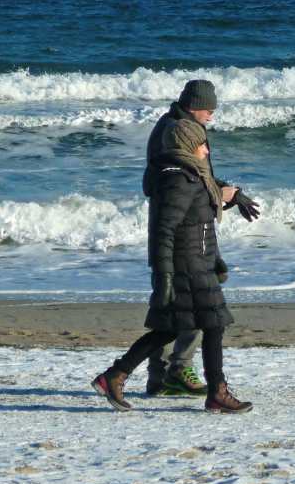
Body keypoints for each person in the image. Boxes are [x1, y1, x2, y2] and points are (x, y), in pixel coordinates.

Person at [93, 118, 252, 413]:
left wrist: (215, 260)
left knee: (173, 328)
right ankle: (216, 393)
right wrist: (165, 276)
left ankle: (115, 375)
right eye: (201, 145)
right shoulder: (178, 178)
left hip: (198, 264)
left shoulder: (192, 174)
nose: (207, 150)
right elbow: (164, 231)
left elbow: (200, 222)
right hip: (185, 268)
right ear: (187, 145)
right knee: (211, 324)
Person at [141, 79, 260, 396]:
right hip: (179, 231)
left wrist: (228, 194)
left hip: (195, 229)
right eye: (208, 108)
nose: (212, 114)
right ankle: (171, 371)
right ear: (194, 106)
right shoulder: (174, 130)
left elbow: (200, 177)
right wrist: (218, 195)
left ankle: (164, 374)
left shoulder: (187, 127)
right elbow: (183, 181)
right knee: (182, 307)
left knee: (179, 308)